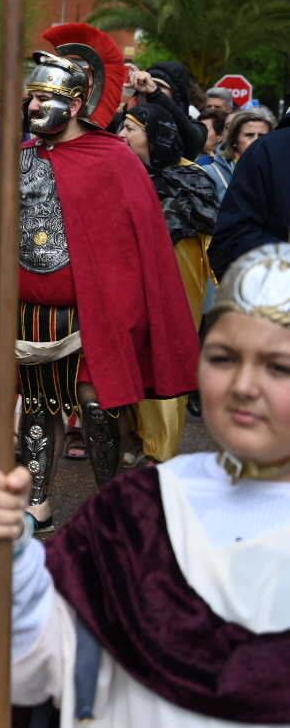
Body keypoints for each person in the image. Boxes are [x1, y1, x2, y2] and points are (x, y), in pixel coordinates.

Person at [0, 241, 290, 728]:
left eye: (278, 367)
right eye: (223, 358)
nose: (243, 386)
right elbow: (32, 668)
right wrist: (1, 554)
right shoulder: (139, 510)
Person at [0, 24, 197, 529]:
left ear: (76, 105)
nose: (33, 108)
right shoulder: (18, 159)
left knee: (98, 407)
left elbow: (136, 247)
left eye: (45, 99)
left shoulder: (114, 159)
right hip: (31, 314)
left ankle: (107, 505)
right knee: (37, 406)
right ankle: (39, 503)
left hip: (94, 313)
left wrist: (127, 310)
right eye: (31, 98)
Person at [118, 99, 219, 461]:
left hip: (177, 288)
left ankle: (161, 452)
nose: (122, 135)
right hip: (130, 286)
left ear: (155, 135)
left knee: (168, 356)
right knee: (129, 357)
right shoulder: (121, 175)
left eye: (130, 129)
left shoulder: (191, 178)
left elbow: (209, 240)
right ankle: (136, 435)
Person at [209, 124, 290, 278]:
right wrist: (283, 257)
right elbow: (231, 240)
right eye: (249, 134)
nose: (254, 138)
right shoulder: (268, 151)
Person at [199, 106, 273, 203]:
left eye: (262, 136)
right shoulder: (212, 173)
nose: (256, 140)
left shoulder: (277, 172)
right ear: (234, 140)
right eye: (249, 135)